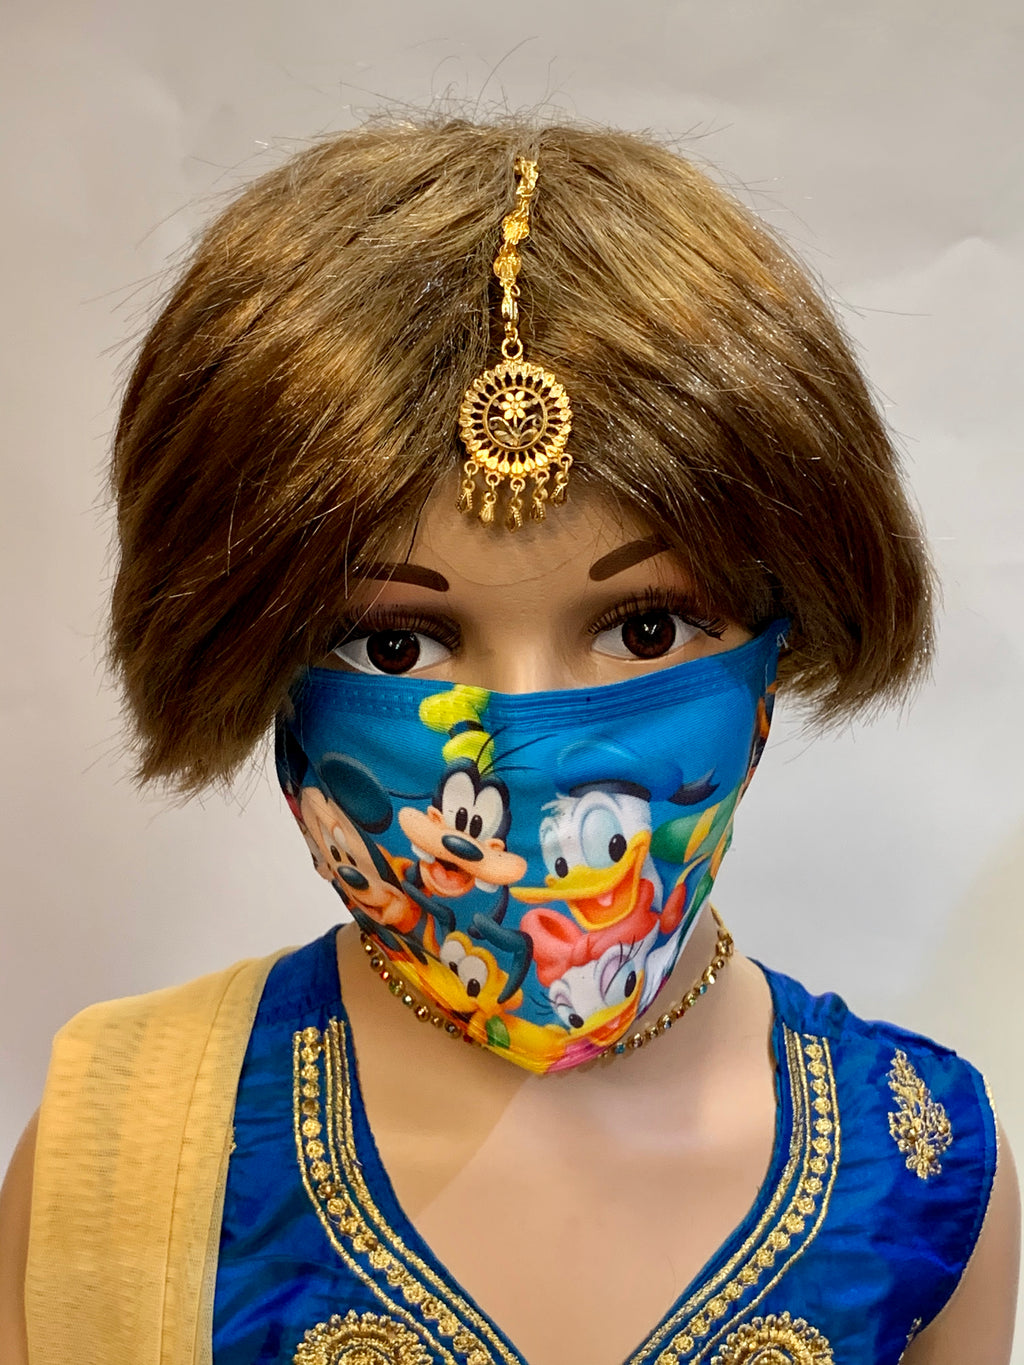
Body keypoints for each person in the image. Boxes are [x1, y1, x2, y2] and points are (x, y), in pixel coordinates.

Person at [0, 115, 1018, 1365]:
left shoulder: (923, 1171)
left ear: (780, 637)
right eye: (395, 645)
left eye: (643, 628)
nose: (524, 749)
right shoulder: (115, 1148)